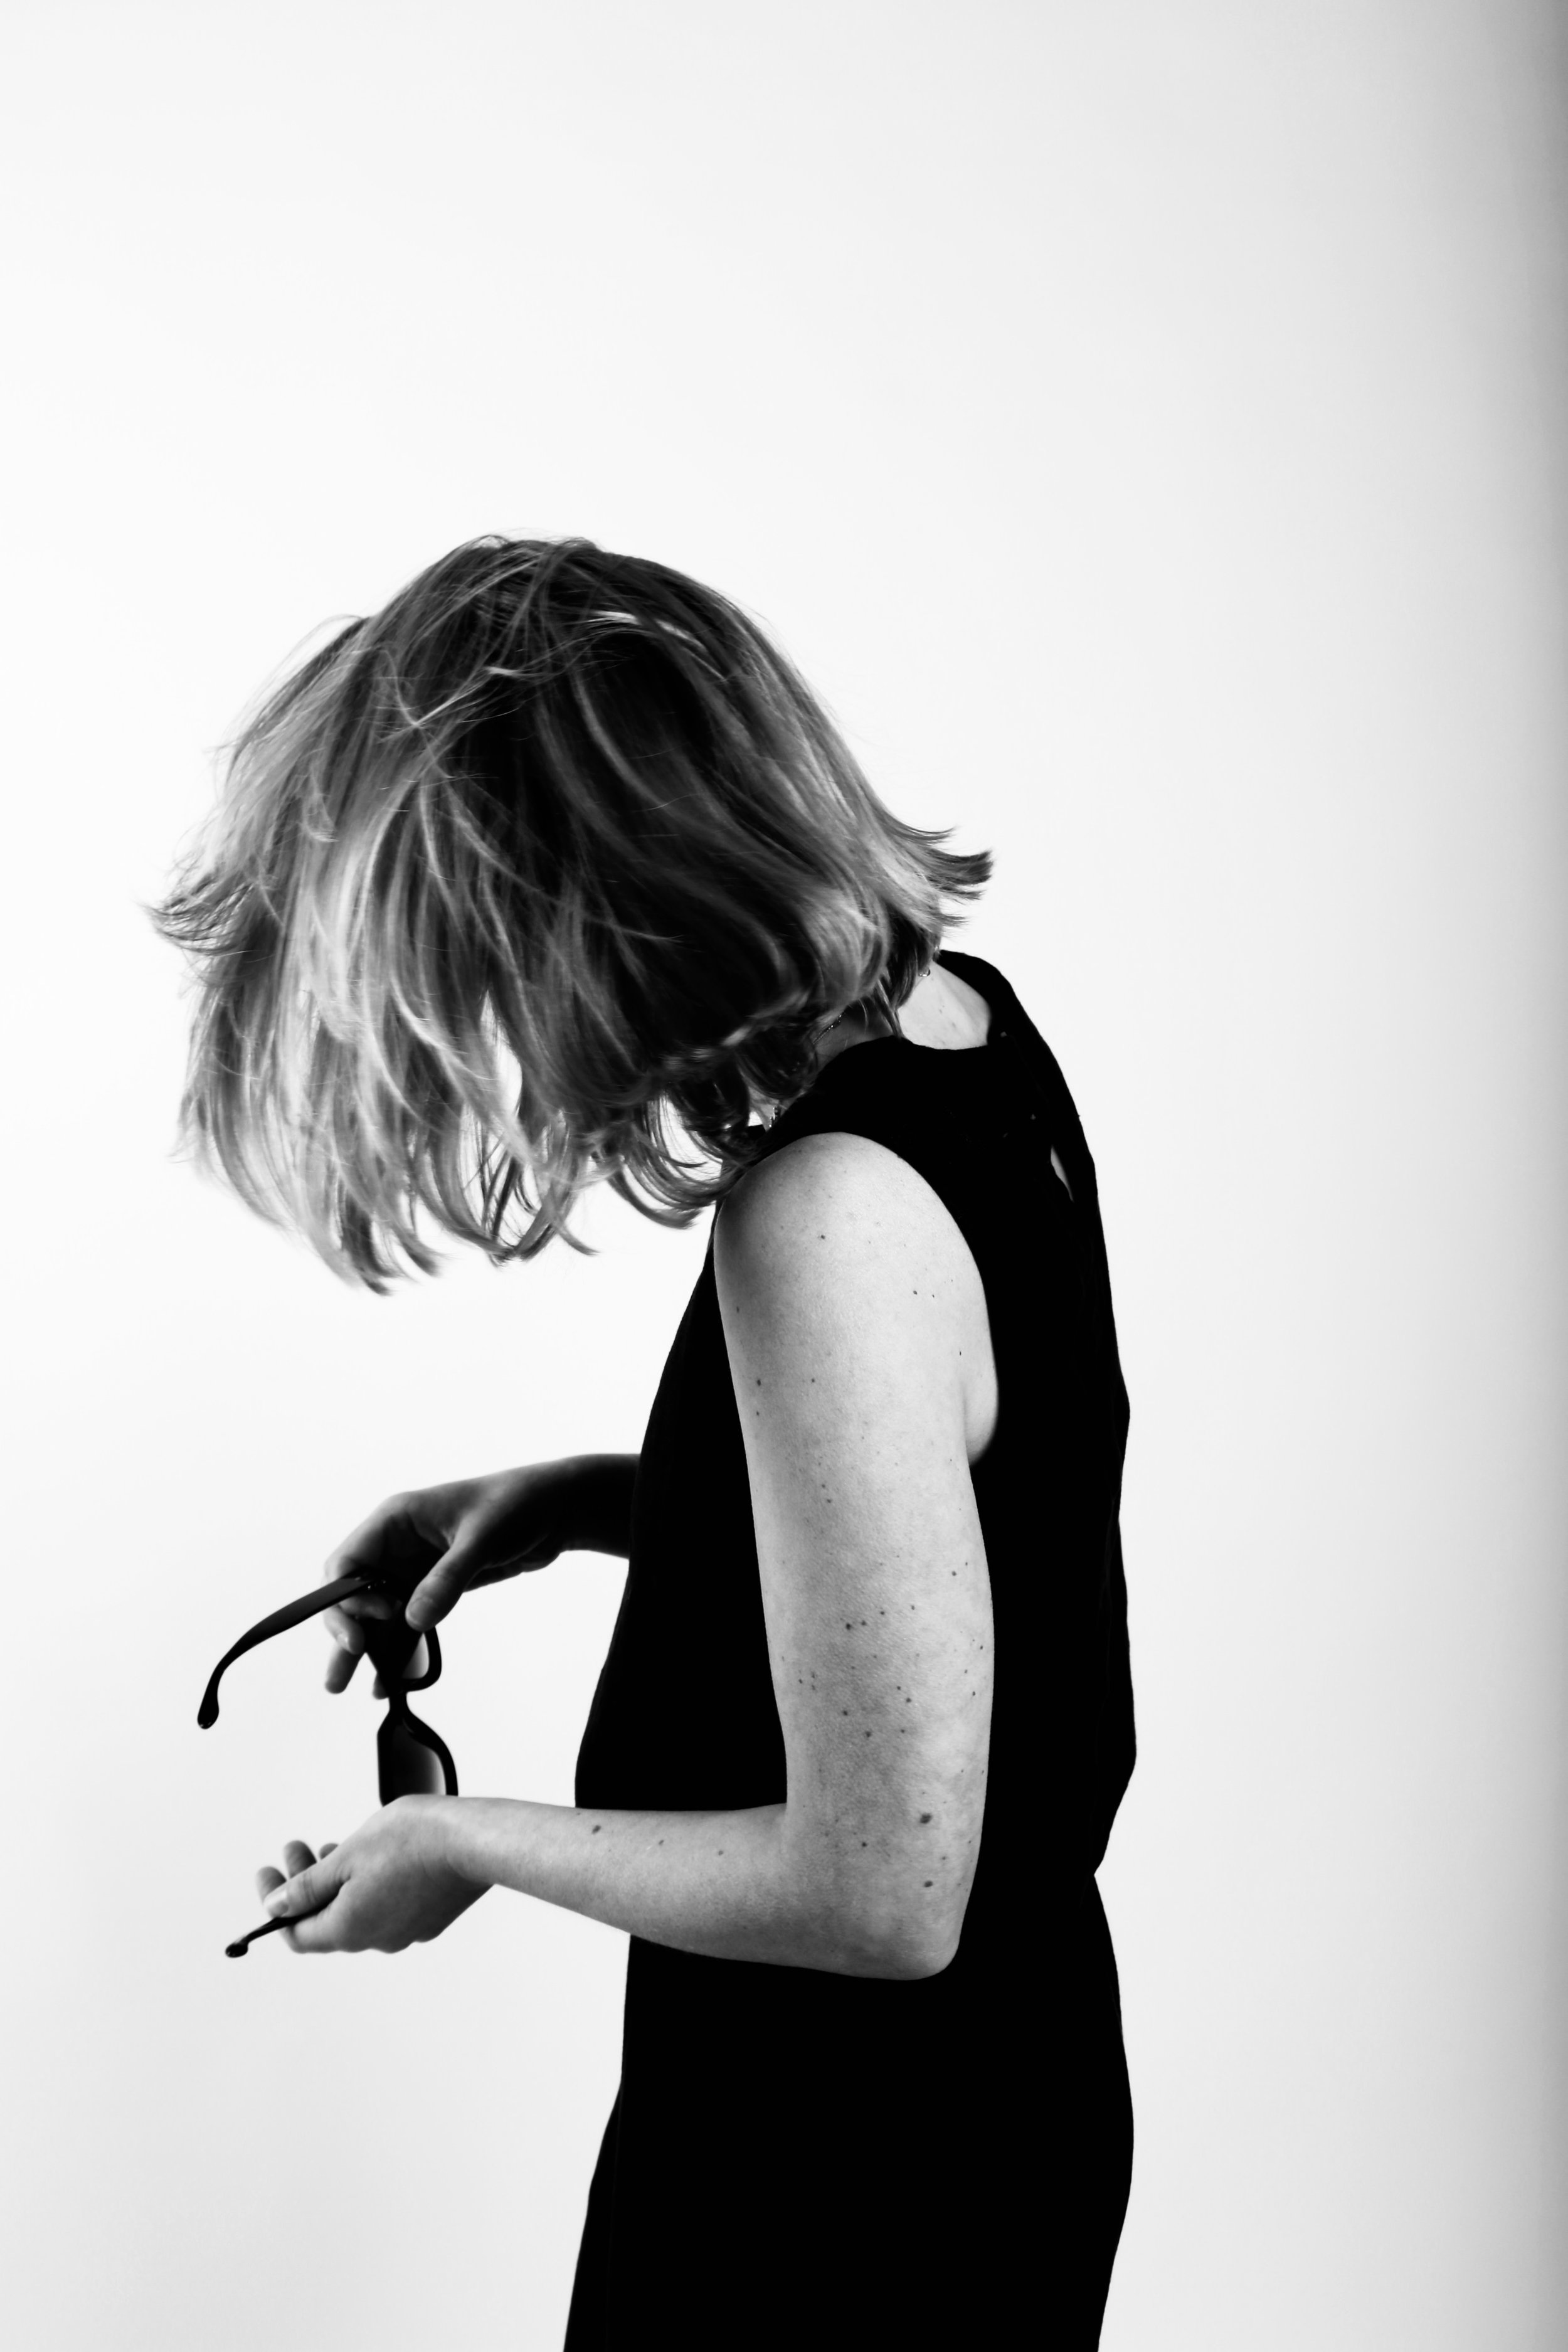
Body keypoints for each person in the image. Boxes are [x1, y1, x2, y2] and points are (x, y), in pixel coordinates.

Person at [154, 534, 1136, 2347]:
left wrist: (464, 1844)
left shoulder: (821, 1215)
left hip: (844, 2187)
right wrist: (596, 1506)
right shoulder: (958, 1043)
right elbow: (965, 1532)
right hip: (981, 2110)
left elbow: (883, 1891)